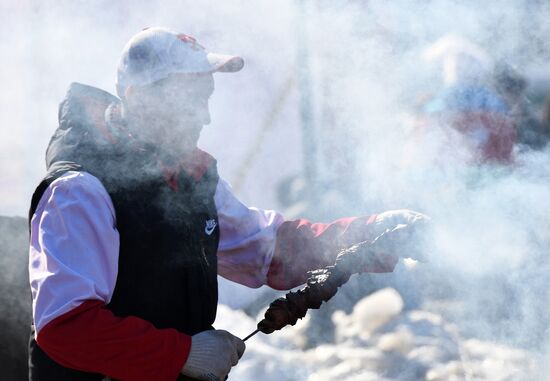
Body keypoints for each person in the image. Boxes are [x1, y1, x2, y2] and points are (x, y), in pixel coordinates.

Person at [28, 27, 428, 381]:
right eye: (189, 102)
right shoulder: (80, 190)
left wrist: (370, 234)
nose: (204, 118)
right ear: (139, 98)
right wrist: (184, 354)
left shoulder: (190, 177)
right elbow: (66, 326)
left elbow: (267, 250)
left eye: (206, 100)